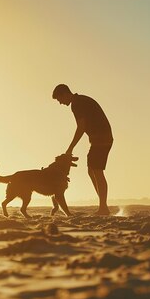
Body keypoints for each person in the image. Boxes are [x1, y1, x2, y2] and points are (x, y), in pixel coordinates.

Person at [53, 84, 113, 215]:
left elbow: (81, 127)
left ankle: (103, 208)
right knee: (91, 170)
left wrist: (70, 148)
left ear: (65, 94)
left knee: (97, 171)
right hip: (99, 139)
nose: (60, 103)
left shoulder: (77, 103)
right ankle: (103, 205)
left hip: (101, 139)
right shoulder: (80, 101)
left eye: (59, 99)